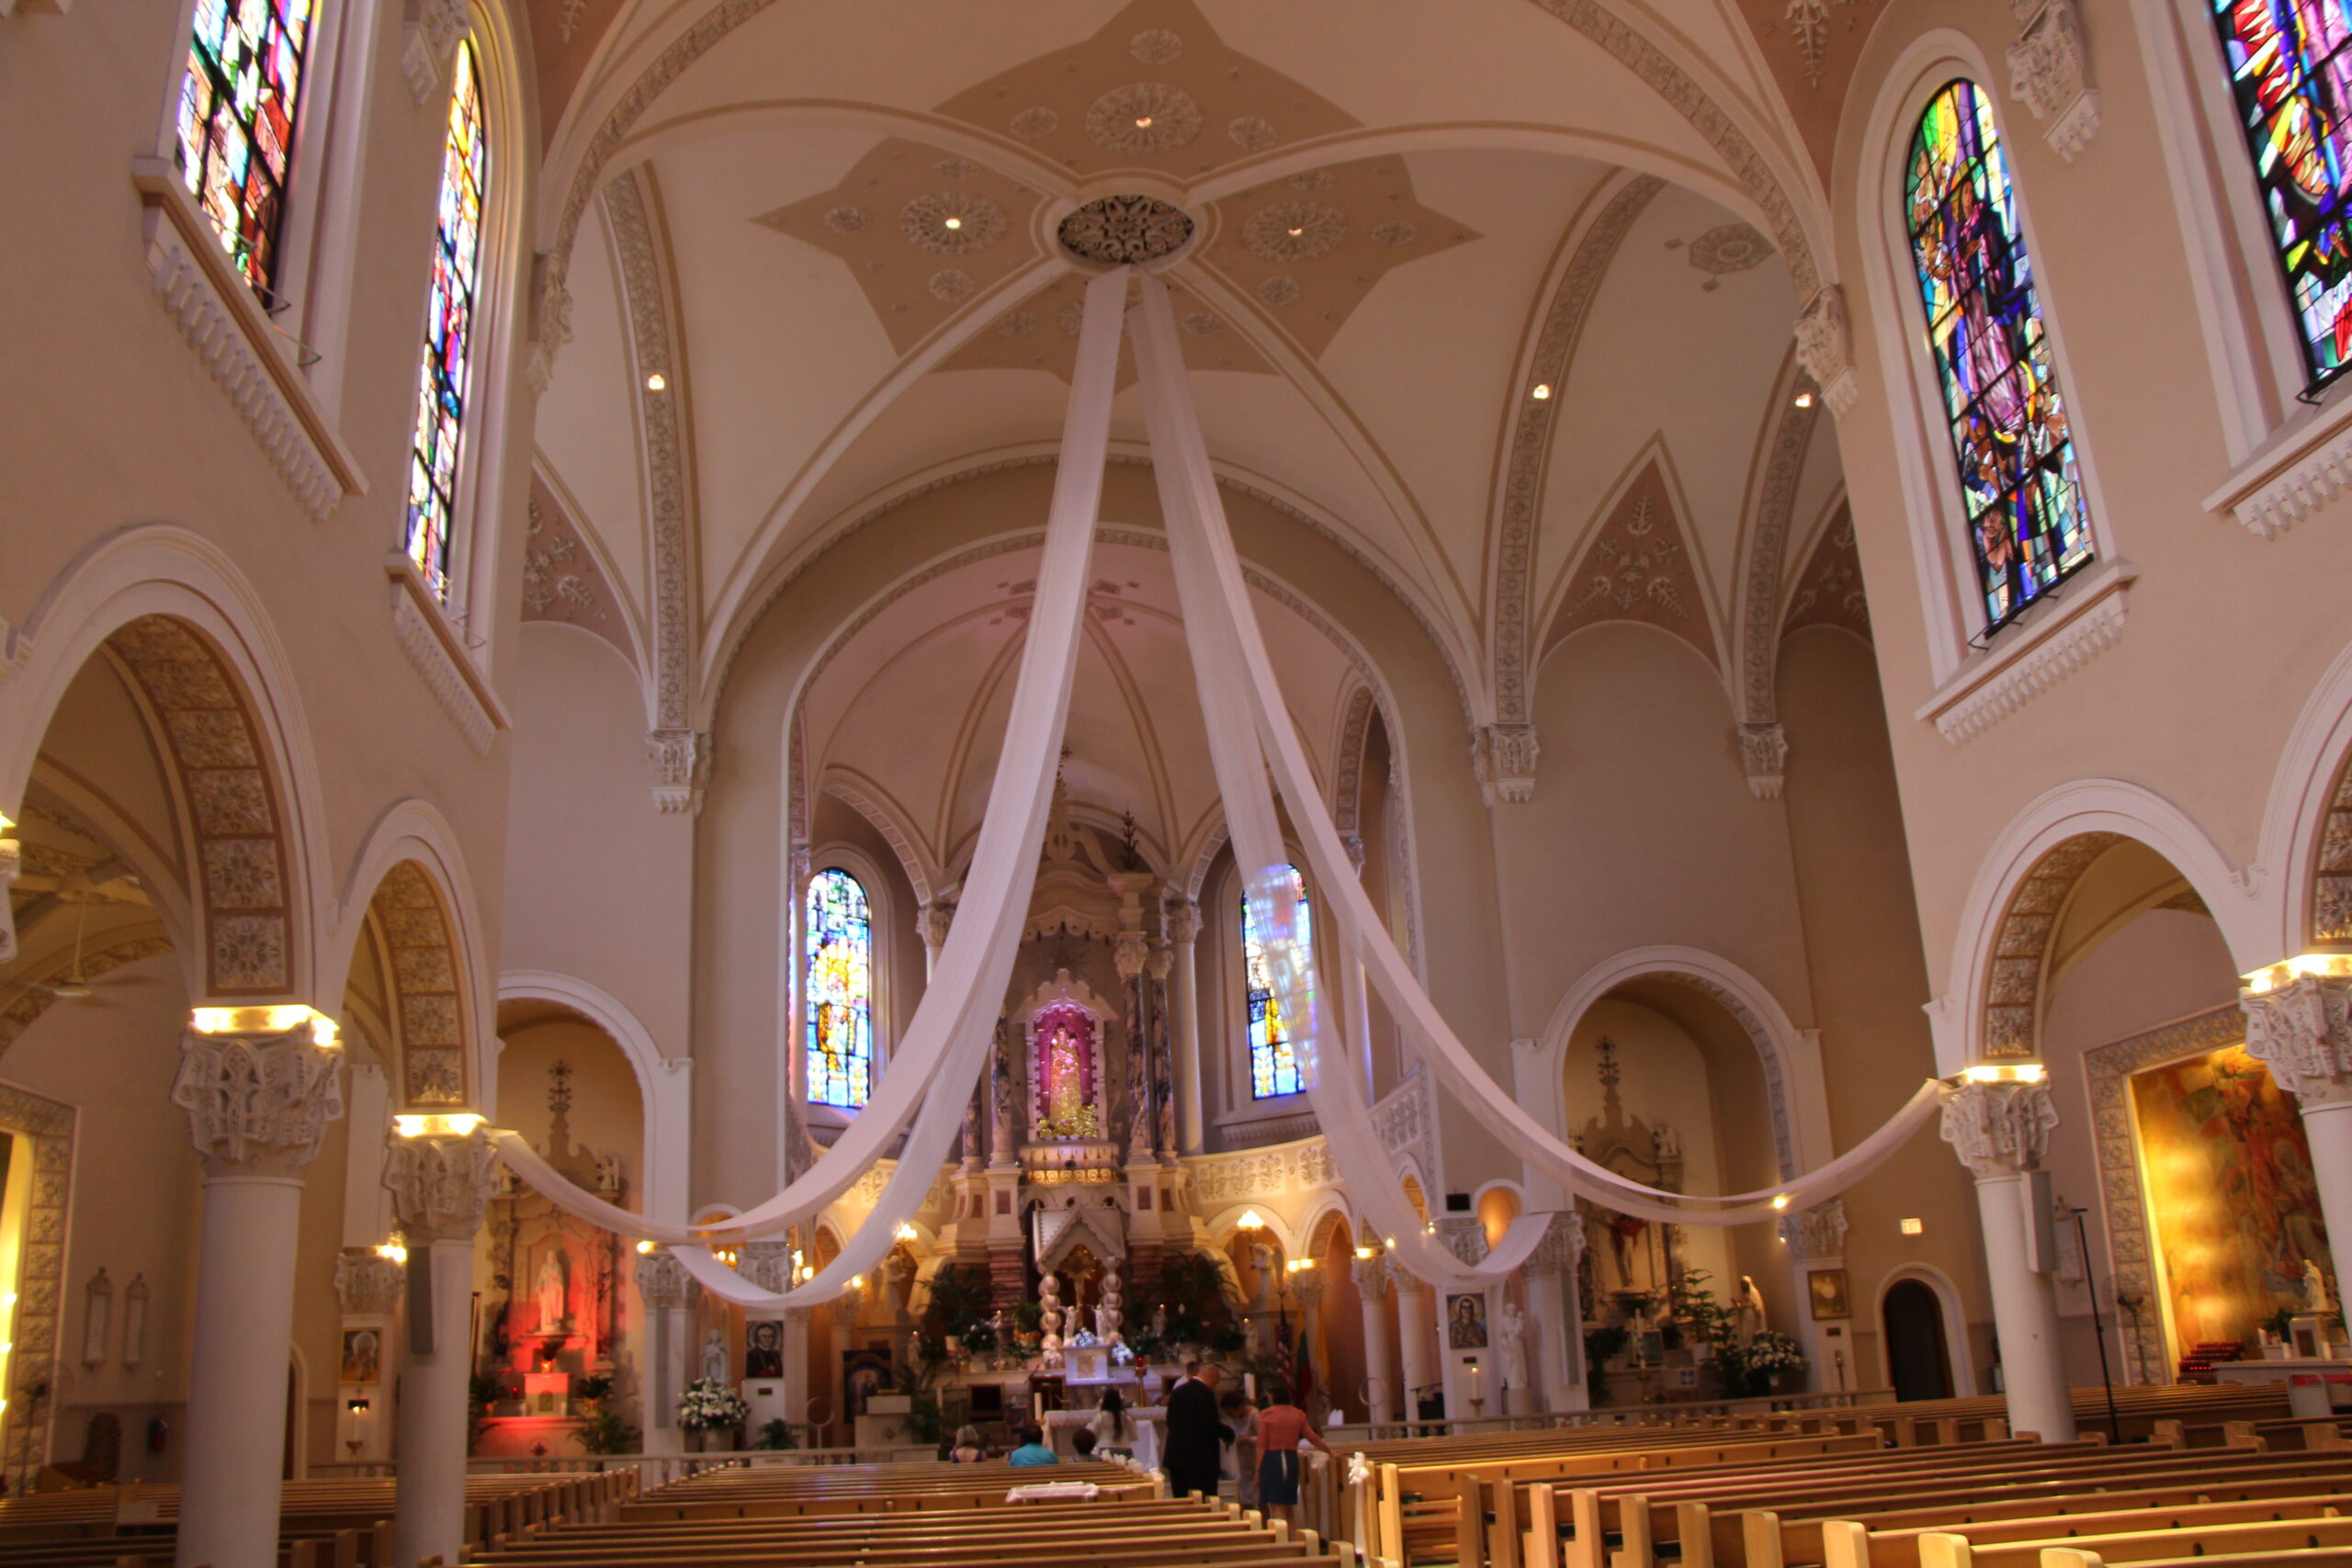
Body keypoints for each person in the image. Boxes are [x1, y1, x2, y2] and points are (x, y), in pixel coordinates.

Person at [1252, 1380, 1331, 1527]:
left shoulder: (1267, 1415)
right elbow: (1313, 1437)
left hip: (1273, 1460)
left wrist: (1257, 1471)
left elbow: (1261, 1445)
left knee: (1277, 1506)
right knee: (1288, 1509)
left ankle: (1282, 1539)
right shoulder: (1298, 1414)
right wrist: (1330, 1452)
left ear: (1272, 1396)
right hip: (1291, 1459)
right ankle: (1292, 1537)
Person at [1162, 1361, 1229, 1502]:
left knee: (1181, 1501)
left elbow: (1169, 1421)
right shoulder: (1205, 1393)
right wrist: (1227, 1433)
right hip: (1200, 1461)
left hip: (1176, 1458)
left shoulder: (1177, 1391)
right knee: (1204, 1502)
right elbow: (1209, 1423)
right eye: (1216, 1383)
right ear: (1210, 1377)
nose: (1215, 1387)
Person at [1221, 1385, 1260, 1506]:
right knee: (1241, 1492)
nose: (1231, 1416)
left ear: (1239, 1407)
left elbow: (1264, 1438)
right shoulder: (1233, 1419)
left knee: (1256, 1494)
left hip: (1253, 1457)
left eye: (1232, 1412)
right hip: (1239, 1460)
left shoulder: (1254, 1415)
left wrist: (1248, 1439)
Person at [1089, 1386, 1136, 1459]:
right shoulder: (1126, 1418)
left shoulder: (1100, 1417)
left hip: (1105, 1450)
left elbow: (1093, 1435)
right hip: (1125, 1450)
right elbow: (1134, 1436)